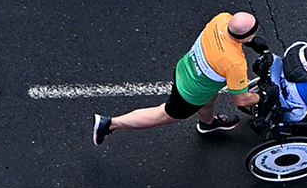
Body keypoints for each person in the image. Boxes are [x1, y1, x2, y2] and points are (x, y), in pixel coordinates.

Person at [92, 11, 263, 146]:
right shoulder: (235, 63)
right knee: (162, 115)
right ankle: (110, 124)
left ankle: (208, 123)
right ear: (247, 37)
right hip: (189, 94)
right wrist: (262, 96)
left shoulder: (222, 18)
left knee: (210, 95)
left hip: (185, 68)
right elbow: (241, 100)